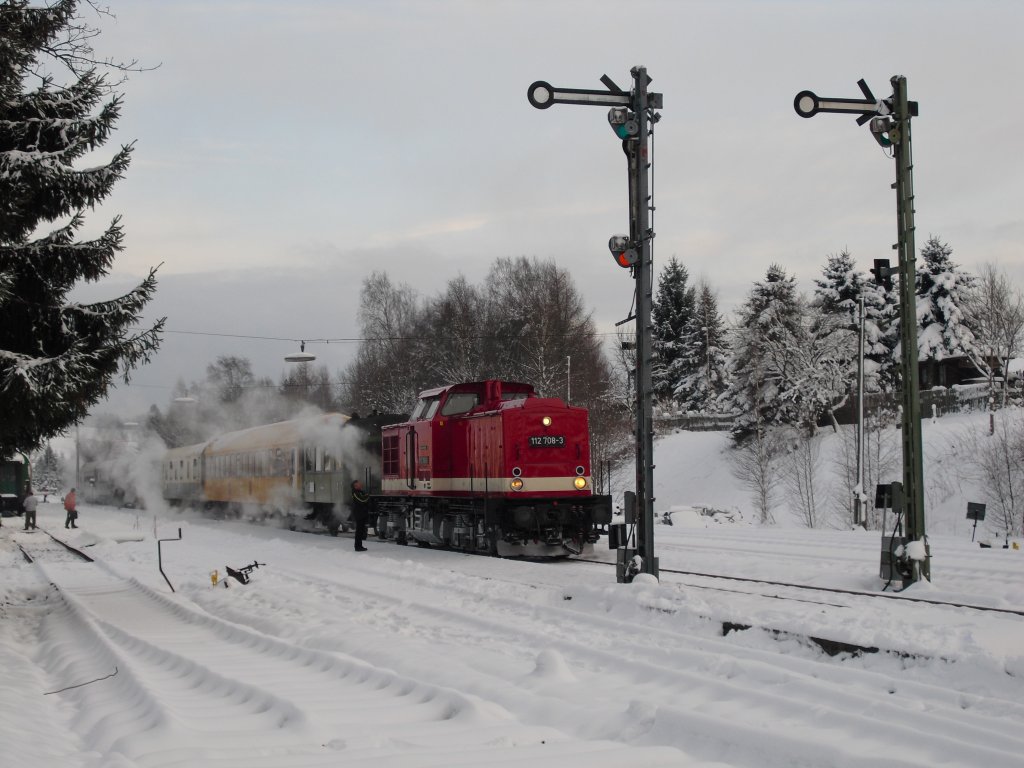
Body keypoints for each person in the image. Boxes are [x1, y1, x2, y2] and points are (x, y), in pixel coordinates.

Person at [350, 480, 370, 552]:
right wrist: (368, 496)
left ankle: (360, 545)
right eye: (358, 484)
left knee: (361, 530)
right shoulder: (355, 493)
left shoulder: (360, 492)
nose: (361, 484)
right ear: (355, 486)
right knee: (359, 531)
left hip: (362, 513)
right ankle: (357, 546)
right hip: (359, 514)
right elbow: (362, 500)